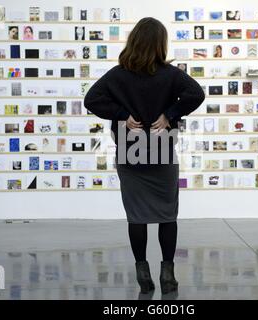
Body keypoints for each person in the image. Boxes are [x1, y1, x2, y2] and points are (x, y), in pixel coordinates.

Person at [84, 17, 205, 295]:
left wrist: (122, 116)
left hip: (130, 148)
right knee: (167, 215)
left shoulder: (117, 75)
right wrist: (169, 115)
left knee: (136, 216)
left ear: (134, 41)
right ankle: (168, 274)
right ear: (160, 44)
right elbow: (196, 94)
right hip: (162, 148)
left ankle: (143, 272)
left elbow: (91, 99)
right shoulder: (170, 74)